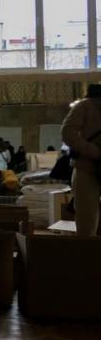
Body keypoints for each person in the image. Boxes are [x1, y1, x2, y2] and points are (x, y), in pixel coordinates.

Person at [60, 83, 101, 236]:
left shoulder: (83, 106)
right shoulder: (85, 106)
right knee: (86, 216)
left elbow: (68, 132)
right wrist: (94, 151)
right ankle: (86, 248)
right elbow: (67, 132)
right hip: (86, 167)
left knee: (86, 216)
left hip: (86, 165)